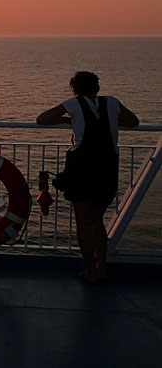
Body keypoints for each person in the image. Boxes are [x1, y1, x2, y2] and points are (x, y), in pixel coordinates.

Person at [36, 71, 139, 284]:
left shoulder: (74, 104)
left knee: (83, 222)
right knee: (97, 221)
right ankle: (102, 269)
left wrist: (69, 119)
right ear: (97, 87)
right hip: (108, 167)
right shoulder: (111, 102)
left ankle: (90, 271)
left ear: (74, 89)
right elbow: (133, 122)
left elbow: (43, 119)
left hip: (81, 167)